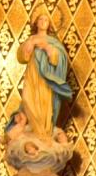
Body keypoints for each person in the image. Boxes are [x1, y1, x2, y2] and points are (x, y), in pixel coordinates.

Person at [10, 8, 73, 141]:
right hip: (32, 76)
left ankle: (43, 134)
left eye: (46, 20)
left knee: (44, 105)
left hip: (46, 80)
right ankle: (33, 131)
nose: (43, 22)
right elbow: (22, 57)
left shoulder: (53, 42)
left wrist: (47, 48)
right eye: (41, 19)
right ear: (36, 23)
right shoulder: (31, 39)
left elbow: (59, 59)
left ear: (49, 24)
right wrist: (30, 44)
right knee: (28, 100)